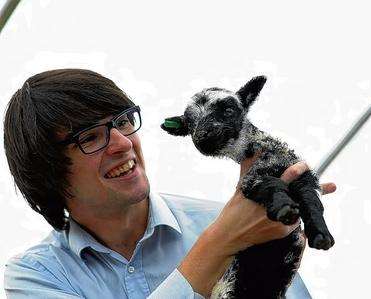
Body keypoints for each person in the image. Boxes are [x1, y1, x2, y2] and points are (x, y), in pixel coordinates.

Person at [3, 69, 336, 298]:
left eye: (123, 121)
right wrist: (223, 241)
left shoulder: (249, 223)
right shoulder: (36, 277)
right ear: (48, 170)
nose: (122, 143)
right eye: (90, 137)